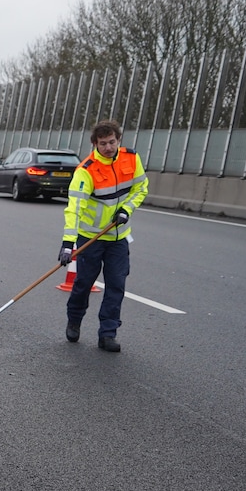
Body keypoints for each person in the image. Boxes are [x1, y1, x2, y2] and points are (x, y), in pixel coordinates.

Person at [59, 119, 148, 353]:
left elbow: (141, 188)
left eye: (112, 142)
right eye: (102, 143)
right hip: (90, 238)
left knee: (116, 285)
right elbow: (74, 208)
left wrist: (126, 210)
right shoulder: (86, 170)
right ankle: (74, 320)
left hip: (118, 238)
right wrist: (68, 243)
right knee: (83, 283)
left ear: (119, 140)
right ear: (95, 144)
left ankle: (108, 333)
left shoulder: (131, 158)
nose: (108, 147)